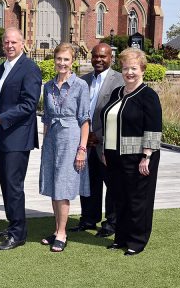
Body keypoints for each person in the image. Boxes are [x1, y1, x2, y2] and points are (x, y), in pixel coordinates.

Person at [0, 27, 42, 250]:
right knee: (6, 185)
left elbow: (29, 105)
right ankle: (12, 225)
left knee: (13, 186)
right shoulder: (3, 67)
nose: (9, 46)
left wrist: (0, 118)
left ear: (23, 43)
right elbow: (2, 101)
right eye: (6, 42)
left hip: (18, 137)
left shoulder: (30, 68)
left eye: (13, 42)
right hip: (3, 135)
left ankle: (18, 234)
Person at [101, 47, 162, 256]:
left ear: (142, 69)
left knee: (138, 200)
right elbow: (109, 121)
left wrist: (147, 155)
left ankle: (137, 241)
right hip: (114, 155)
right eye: (126, 68)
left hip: (138, 157)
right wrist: (105, 151)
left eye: (134, 68)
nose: (129, 73)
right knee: (120, 198)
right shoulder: (118, 92)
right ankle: (121, 238)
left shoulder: (148, 96)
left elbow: (153, 128)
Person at [39, 43, 91, 252]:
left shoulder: (80, 86)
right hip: (51, 139)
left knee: (63, 186)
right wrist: (44, 142)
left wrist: (82, 149)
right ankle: (56, 229)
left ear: (73, 61)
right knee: (53, 185)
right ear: (54, 60)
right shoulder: (48, 86)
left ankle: (62, 233)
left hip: (71, 139)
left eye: (66, 59)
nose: (62, 63)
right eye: (59, 59)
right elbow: (46, 117)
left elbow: (85, 119)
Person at [69, 43, 124, 237]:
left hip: (106, 144)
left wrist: (98, 136)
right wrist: (83, 136)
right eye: (95, 56)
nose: (99, 60)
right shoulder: (83, 81)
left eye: (103, 56)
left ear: (111, 58)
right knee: (88, 183)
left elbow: (118, 115)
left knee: (111, 185)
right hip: (86, 143)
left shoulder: (119, 80)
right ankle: (88, 219)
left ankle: (111, 224)